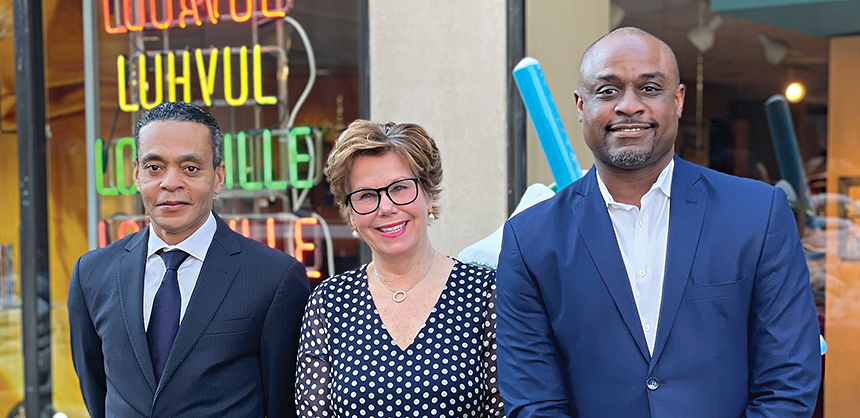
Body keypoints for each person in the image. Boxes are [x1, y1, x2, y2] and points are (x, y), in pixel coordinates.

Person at [496, 27, 821, 418]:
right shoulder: (530, 239)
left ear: (678, 100)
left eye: (649, 88)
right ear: (580, 105)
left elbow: (789, 381)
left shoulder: (758, 213)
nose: (629, 106)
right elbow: (534, 401)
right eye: (608, 90)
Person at [68, 101, 311, 417]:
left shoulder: (274, 278)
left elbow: (282, 404)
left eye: (190, 168)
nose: (171, 182)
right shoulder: (92, 273)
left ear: (218, 176)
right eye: (155, 167)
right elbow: (95, 388)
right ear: (137, 174)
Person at [296, 120, 505, 417]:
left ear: (428, 195)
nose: (386, 207)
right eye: (367, 195)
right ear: (351, 213)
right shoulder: (330, 302)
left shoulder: (485, 293)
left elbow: (506, 409)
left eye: (400, 188)